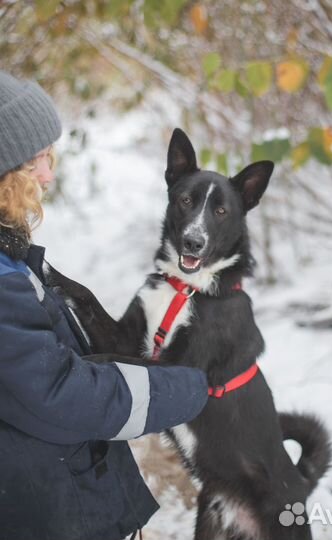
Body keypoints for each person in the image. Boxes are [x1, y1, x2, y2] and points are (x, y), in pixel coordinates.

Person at [0, 71, 208, 540]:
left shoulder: (9, 259)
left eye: (49, 157)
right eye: (35, 164)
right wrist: (186, 390)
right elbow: (59, 396)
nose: (49, 176)